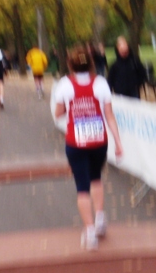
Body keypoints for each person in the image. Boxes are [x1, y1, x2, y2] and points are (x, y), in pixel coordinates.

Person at [52, 45, 124, 250]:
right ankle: (100, 218)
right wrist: (118, 143)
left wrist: (71, 108)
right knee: (96, 179)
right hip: (99, 141)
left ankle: (90, 230)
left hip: (76, 142)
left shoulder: (64, 85)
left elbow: (58, 114)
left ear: (70, 64)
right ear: (91, 64)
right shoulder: (101, 83)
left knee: (82, 187)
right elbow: (109, 115)